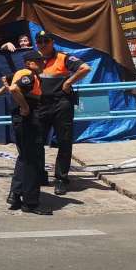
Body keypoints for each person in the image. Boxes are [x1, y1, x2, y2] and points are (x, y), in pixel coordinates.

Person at [0, 51, 52, 215]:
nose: (42, 64)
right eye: (39, 61)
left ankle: (16, 194)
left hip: (22, 120)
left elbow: (6, 80)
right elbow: (14, 88)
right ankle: (31, 202)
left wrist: (0, 91)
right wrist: (25, 107)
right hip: (29, 119)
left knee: (24, 157)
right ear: (29, 63)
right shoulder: (28, 74)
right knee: (32, 161)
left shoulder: (21, 72)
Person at [34, 31, 91, 195]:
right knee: (37, 141)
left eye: (46, 41)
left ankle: (61, 179)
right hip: (41, 104)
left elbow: (85, 68)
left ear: (52, 42)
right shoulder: (34, 59)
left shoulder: (63, 57)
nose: (42, 44)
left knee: (64, 141)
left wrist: (68, 82)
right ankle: (39, 175)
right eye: (39, 41)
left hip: (61, 104)